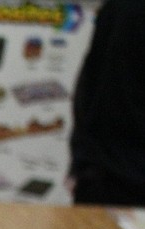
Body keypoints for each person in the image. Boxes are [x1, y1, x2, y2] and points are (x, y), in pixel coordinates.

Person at [68, 0, 145, 206]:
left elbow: (88, 85)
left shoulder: (119, 7)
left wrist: (81, 160)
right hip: (117, 174)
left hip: (102, 172)